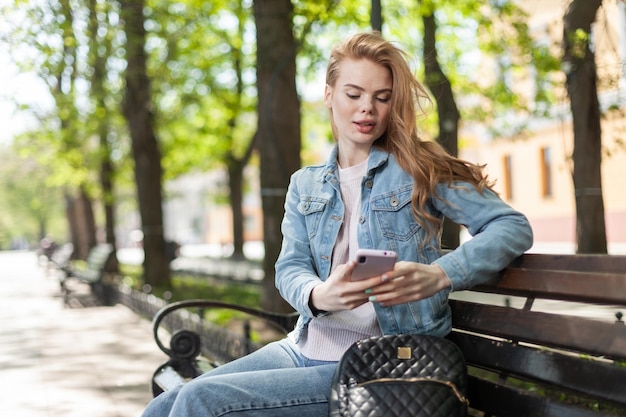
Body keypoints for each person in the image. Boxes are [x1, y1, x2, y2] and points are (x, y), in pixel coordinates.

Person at [141, 31, 533, 417]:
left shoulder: (420, 167)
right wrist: (318, 295)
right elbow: (290, 267)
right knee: (165, 406)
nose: (368, 109)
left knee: (201, 402)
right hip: (302, 347)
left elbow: (510, 226)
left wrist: (440, 274)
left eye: (382, 98)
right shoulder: (305, 183)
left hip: (385, 364)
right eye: (354, 94)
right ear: (329, 95)